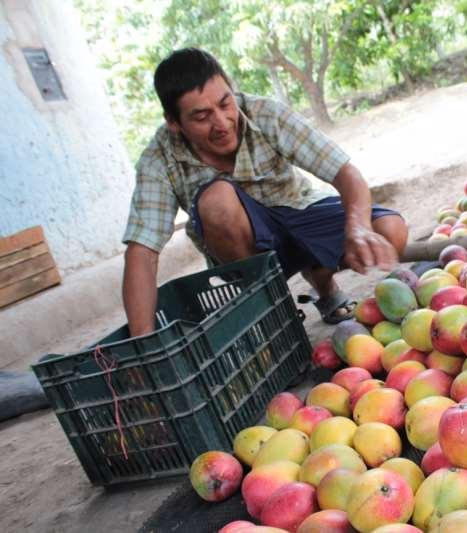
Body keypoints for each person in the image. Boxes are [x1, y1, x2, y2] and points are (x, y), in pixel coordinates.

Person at [121, 48, 408, 335]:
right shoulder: (159, 159)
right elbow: (142, 252)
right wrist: (142, 341)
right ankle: (274, 312)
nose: (221, 123)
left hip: (298, 213)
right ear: (174, 122)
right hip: (247, 254)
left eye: (225, 103)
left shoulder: (265, 113)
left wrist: (358, 228)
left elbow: (345, 173)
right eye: (202, 117)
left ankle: (324, 285)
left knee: (390, 230)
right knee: (216, 201)